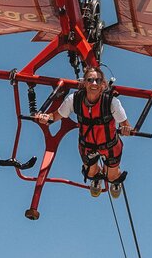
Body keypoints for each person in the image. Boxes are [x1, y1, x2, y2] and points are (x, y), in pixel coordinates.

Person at [34, 66, 133, 199]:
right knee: (90, 172)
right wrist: (47, 117)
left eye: (98, 81)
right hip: (87, 145)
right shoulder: (74, 99)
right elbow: (57, 115)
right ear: (84, 83)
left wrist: (126, 130)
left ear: (103, 84)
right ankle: (96, 177)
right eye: (90, 80)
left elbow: (125, 125)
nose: (94, 84)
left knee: (112, 176)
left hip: (109, 145)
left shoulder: (111, 102)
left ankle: (114, 181)